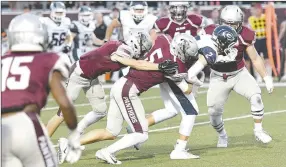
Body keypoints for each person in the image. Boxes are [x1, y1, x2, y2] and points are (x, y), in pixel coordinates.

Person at [47, 32, 177, 161]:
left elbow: (138, 61)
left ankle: (75, 135)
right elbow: (138, 64)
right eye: (143, 50)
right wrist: (159, 66)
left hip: (91, 78)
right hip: (76, 75)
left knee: (100, 111)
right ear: (137, 46)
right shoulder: (122, 51)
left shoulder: (122, 46)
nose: (143, 54)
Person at [2, 13, 82, 167]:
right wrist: (73, 133)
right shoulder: (48, 59)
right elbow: (64, 104)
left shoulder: (3, 61)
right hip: (26, 124)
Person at [196, 5, 274, 146]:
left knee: (256, 97)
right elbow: (199, 53)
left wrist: (266, 78)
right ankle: (222, 135)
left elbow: (255, 58)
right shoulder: (209, 32)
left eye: (232, 24)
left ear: (240, 23)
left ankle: (259, 130)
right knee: (213, 113)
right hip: (218, 76)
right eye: (226, 23)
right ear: (221, 21)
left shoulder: (245, 34)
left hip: (239, 73)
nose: (229, 27)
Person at [147, 1, 204, 159]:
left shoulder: (192, 21)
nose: (178, 11)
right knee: (191, 111)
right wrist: (193, 79)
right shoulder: (162, 25)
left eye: (181, 7)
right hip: (175, 69)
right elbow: (186, 87)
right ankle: (179, 149)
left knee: (171, 110)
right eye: (175, 7)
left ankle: (136, 129)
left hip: (168, 68)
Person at [248, 3, 272, 82]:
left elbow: (272, 22)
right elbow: (250, 29)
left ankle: (269, 75)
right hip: (256, 40)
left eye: (258, 9)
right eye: (255, 9)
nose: (257, 11)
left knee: (267, 59)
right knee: (256, 59)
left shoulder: (265, 17)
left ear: (261, 10)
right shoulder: (251, 19)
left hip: (265, 40)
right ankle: (258, 76)